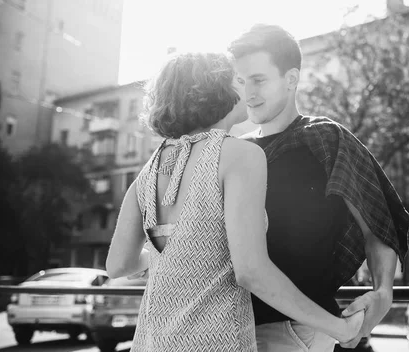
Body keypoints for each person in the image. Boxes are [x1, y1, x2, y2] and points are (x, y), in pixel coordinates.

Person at [105, 52, 365, 352]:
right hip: (215, 342)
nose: (247, 89)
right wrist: (339, 327)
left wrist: (182, 251)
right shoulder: (240, 155)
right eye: (238, 79)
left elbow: (118, 265)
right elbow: (251, 271)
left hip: (153, 342)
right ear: (217, 89)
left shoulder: (148, 170)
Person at [228, 24, 409, 351]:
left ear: (291, 78)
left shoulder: (325, 139)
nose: (248, 93)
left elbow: (378, 224)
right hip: (229, 327)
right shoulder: (233, 152)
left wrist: (384, 291)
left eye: (258, 80)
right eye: (241, 82)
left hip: (298, 331)